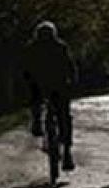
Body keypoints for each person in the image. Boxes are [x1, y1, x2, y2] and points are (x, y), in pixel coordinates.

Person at [23, 20, 77, 171]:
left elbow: (24, 69)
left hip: (39, 86)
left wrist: (26, 82)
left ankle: (37, 122)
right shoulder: (60, 46)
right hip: (59, 87)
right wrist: (72, 82)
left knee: (35, 99)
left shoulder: (32, 47)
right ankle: (67, 152)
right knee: (64, 117)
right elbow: (70, 67)